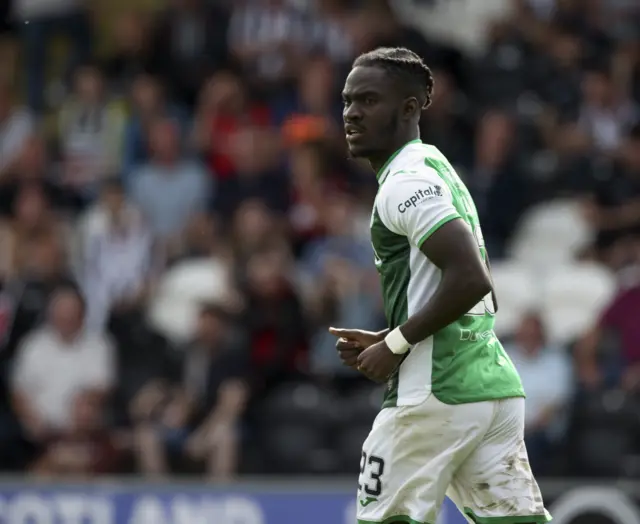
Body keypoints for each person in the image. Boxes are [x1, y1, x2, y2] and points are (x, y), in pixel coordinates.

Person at [329, 47, 550, 524]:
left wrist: (399, 341)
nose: (351, 113)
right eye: (347, 101)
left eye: (368, 100)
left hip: (435, 393)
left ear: (409, 108)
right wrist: (395, 335)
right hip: (490, 389)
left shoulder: (404, 182)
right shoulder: (435, 168)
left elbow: (472, 278)